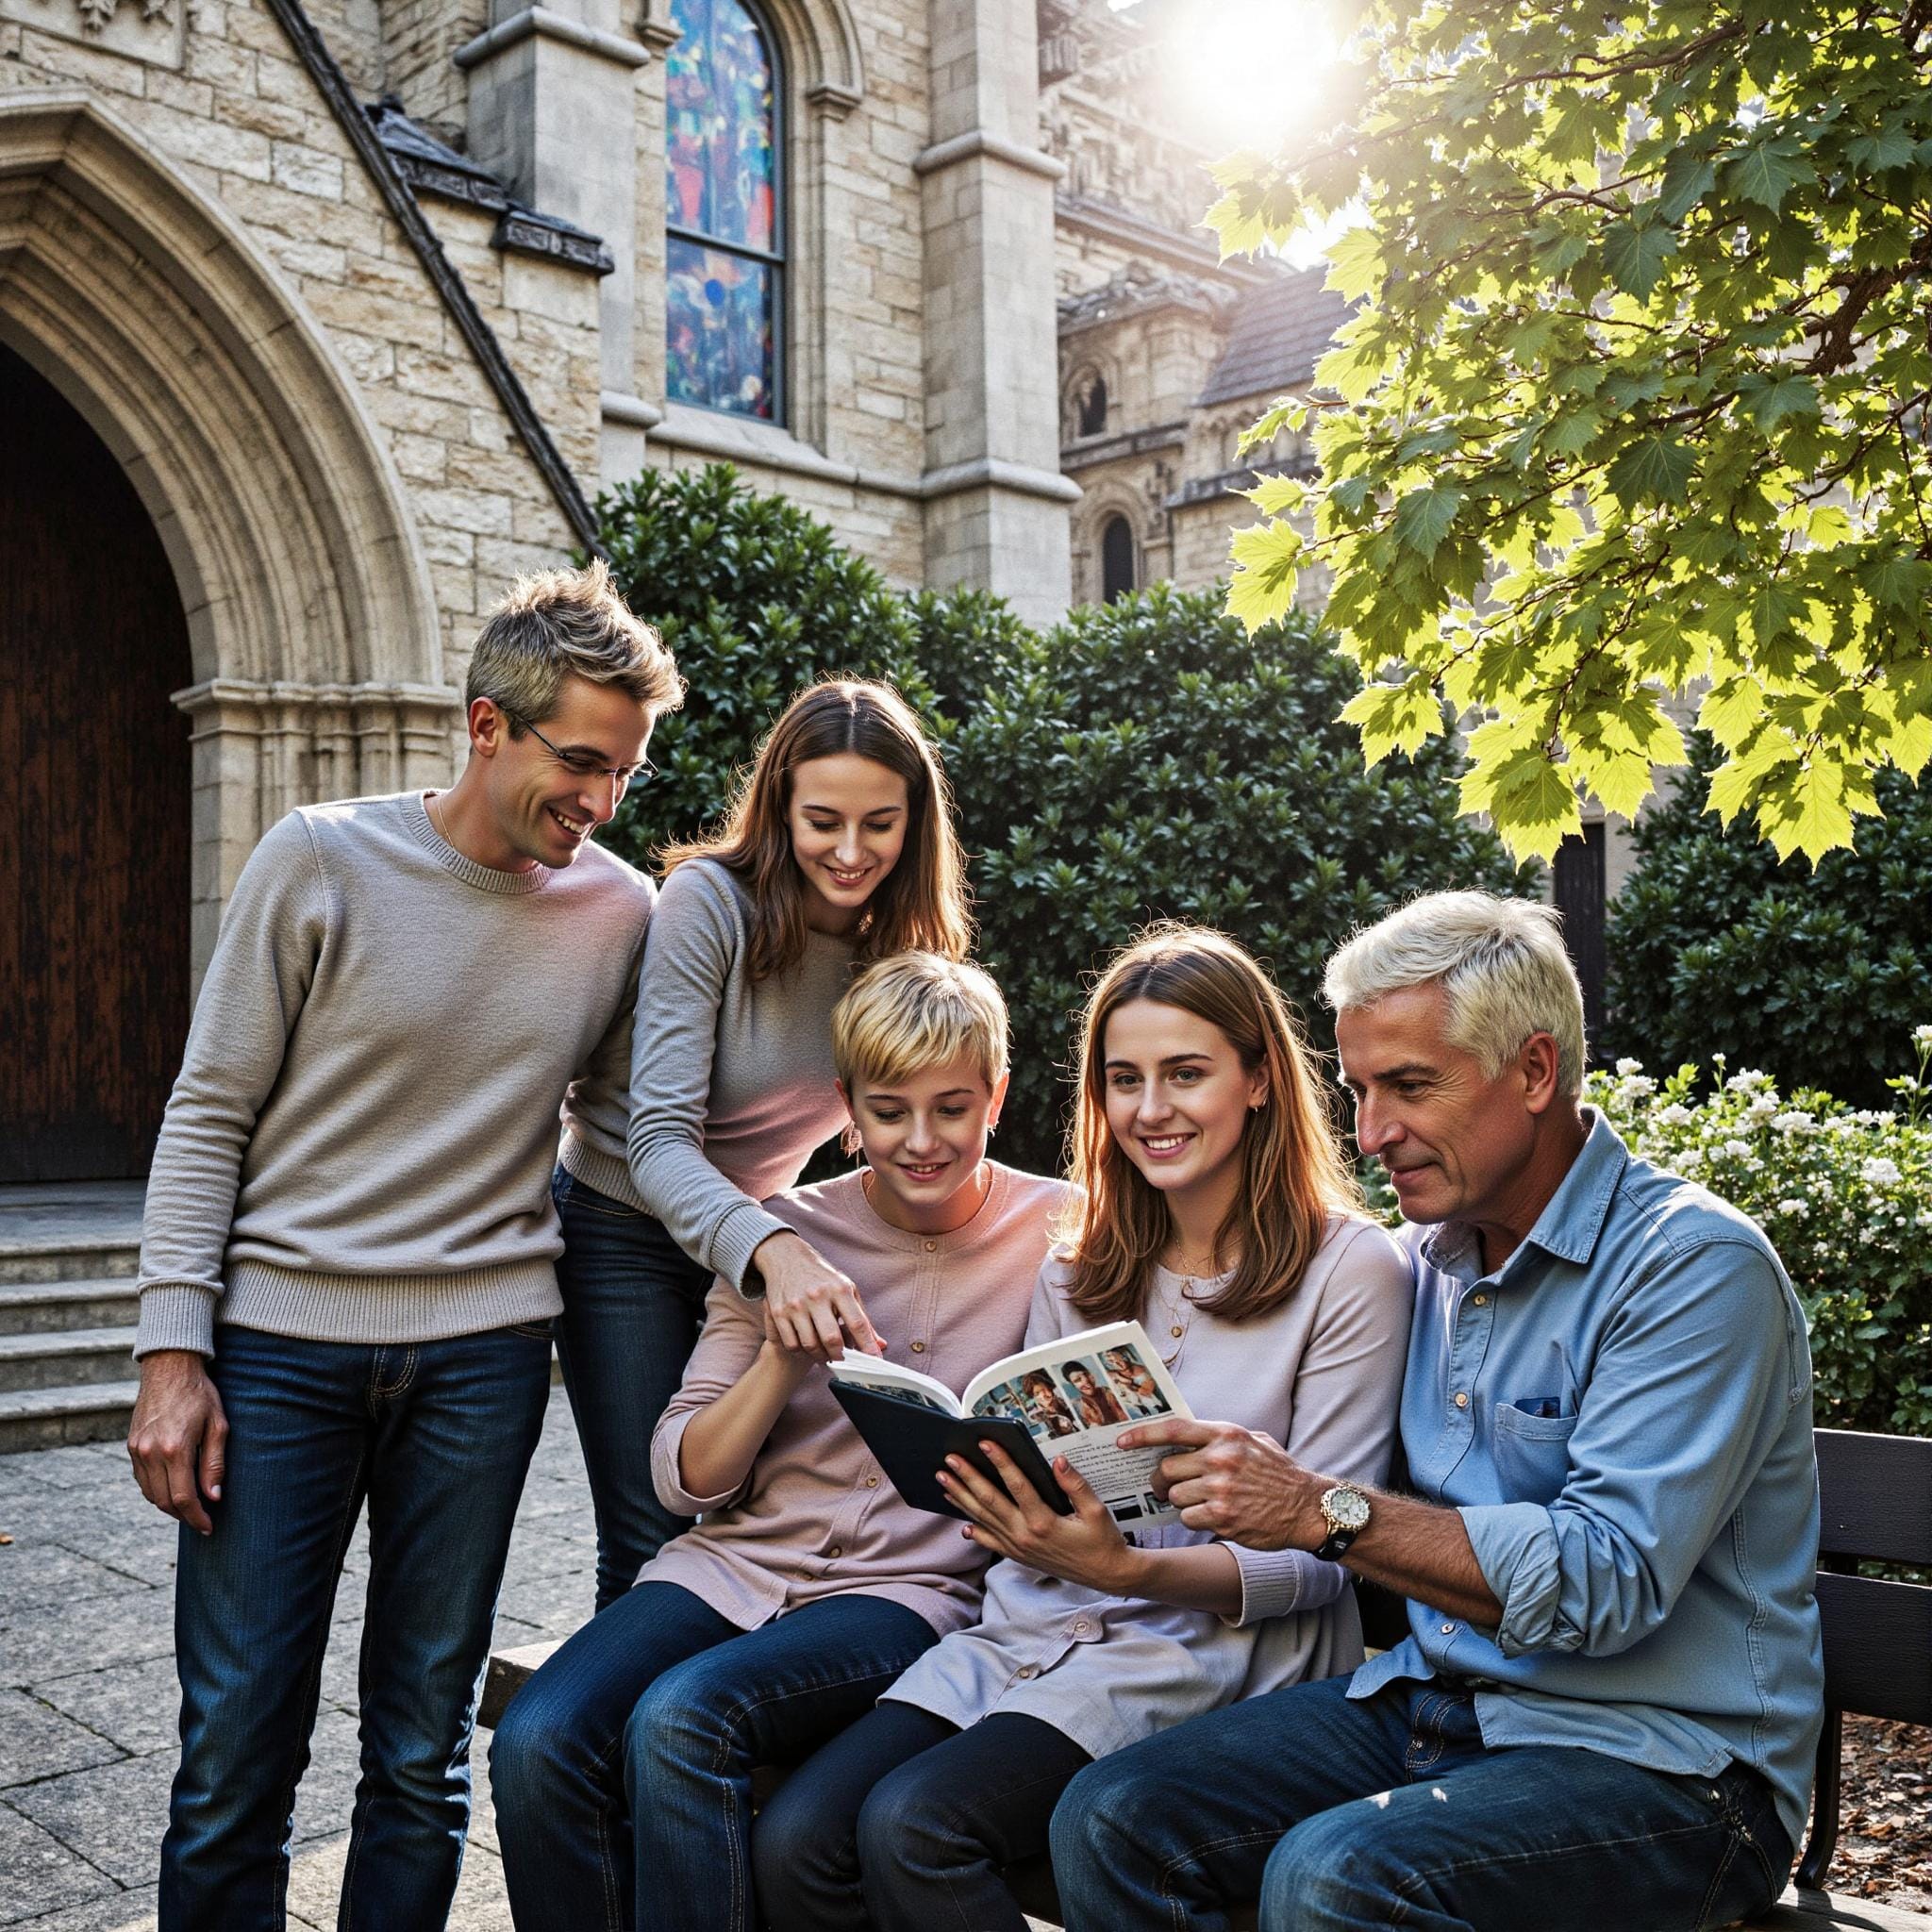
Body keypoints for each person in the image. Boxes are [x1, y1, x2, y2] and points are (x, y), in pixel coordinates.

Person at [1051, 891, 1824, 1932]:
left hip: (1669, 1765)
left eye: (1409, 1086)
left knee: (1336, 1877)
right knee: (1109, 1817)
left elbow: (1606, 1579)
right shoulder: (1421, 1262)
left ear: (1534, 1071)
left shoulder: (1690, 1266)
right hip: (1435, 1705)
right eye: (1358, 1089)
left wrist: (1316, 1507)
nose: (1371, 1132)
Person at [124, 562, 683, 1930]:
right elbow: (207, 1112)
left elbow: (637, 1135)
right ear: (486, 724)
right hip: (278, 1353)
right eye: (581, 762)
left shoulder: (618, 914)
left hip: (484, 1362)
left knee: (422, 1753)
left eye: (625, 774)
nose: (602, 803)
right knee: (233, 1754)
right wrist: (170, 1353)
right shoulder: (319, 858)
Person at [758, 925, 1414, 1932]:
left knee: (915, 1826)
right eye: (1123, 1079)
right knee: (800, 1836)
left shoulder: (1349, 1269)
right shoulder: (1078, 1261)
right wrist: (1002, 1505)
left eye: (1184, 1073)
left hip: (1208, 1656)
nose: (1149, 1110)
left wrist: (1127, 1569)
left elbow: (1324, 1556)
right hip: (1028, 1629)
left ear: (1257, 1080)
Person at [491, 954, 1070, 1932]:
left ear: (997, 1098)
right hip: (729, 1565)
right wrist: (777, 1357)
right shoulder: (782, 1234)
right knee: (537, 1736)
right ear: (847, 1107)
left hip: (913, 1591)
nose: (921, 1141)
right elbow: (682, 1478)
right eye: (889, 1111)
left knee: (686, 1717)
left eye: (951, 1109)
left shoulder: (1059, 1227)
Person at [552, 677, 973, 1608]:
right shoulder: (709, 901)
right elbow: (658, 1139)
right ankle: (613, 1701)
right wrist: (776, 1250)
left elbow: (907, 1121)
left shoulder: (900, 943)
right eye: (823, 821)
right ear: (780, 807)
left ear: (915, 824)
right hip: (625, 1227)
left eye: (880, 824)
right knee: (654, 1527)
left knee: (747, 1507)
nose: (851, 851)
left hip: (755, 1240)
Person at [1062, 1358, 1129, 1427]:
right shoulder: (1078, 1407)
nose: (1086, 1380)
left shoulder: (1110, 1391)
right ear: (1074, 1385)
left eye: (1086, 1374)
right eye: (1078, 1380)